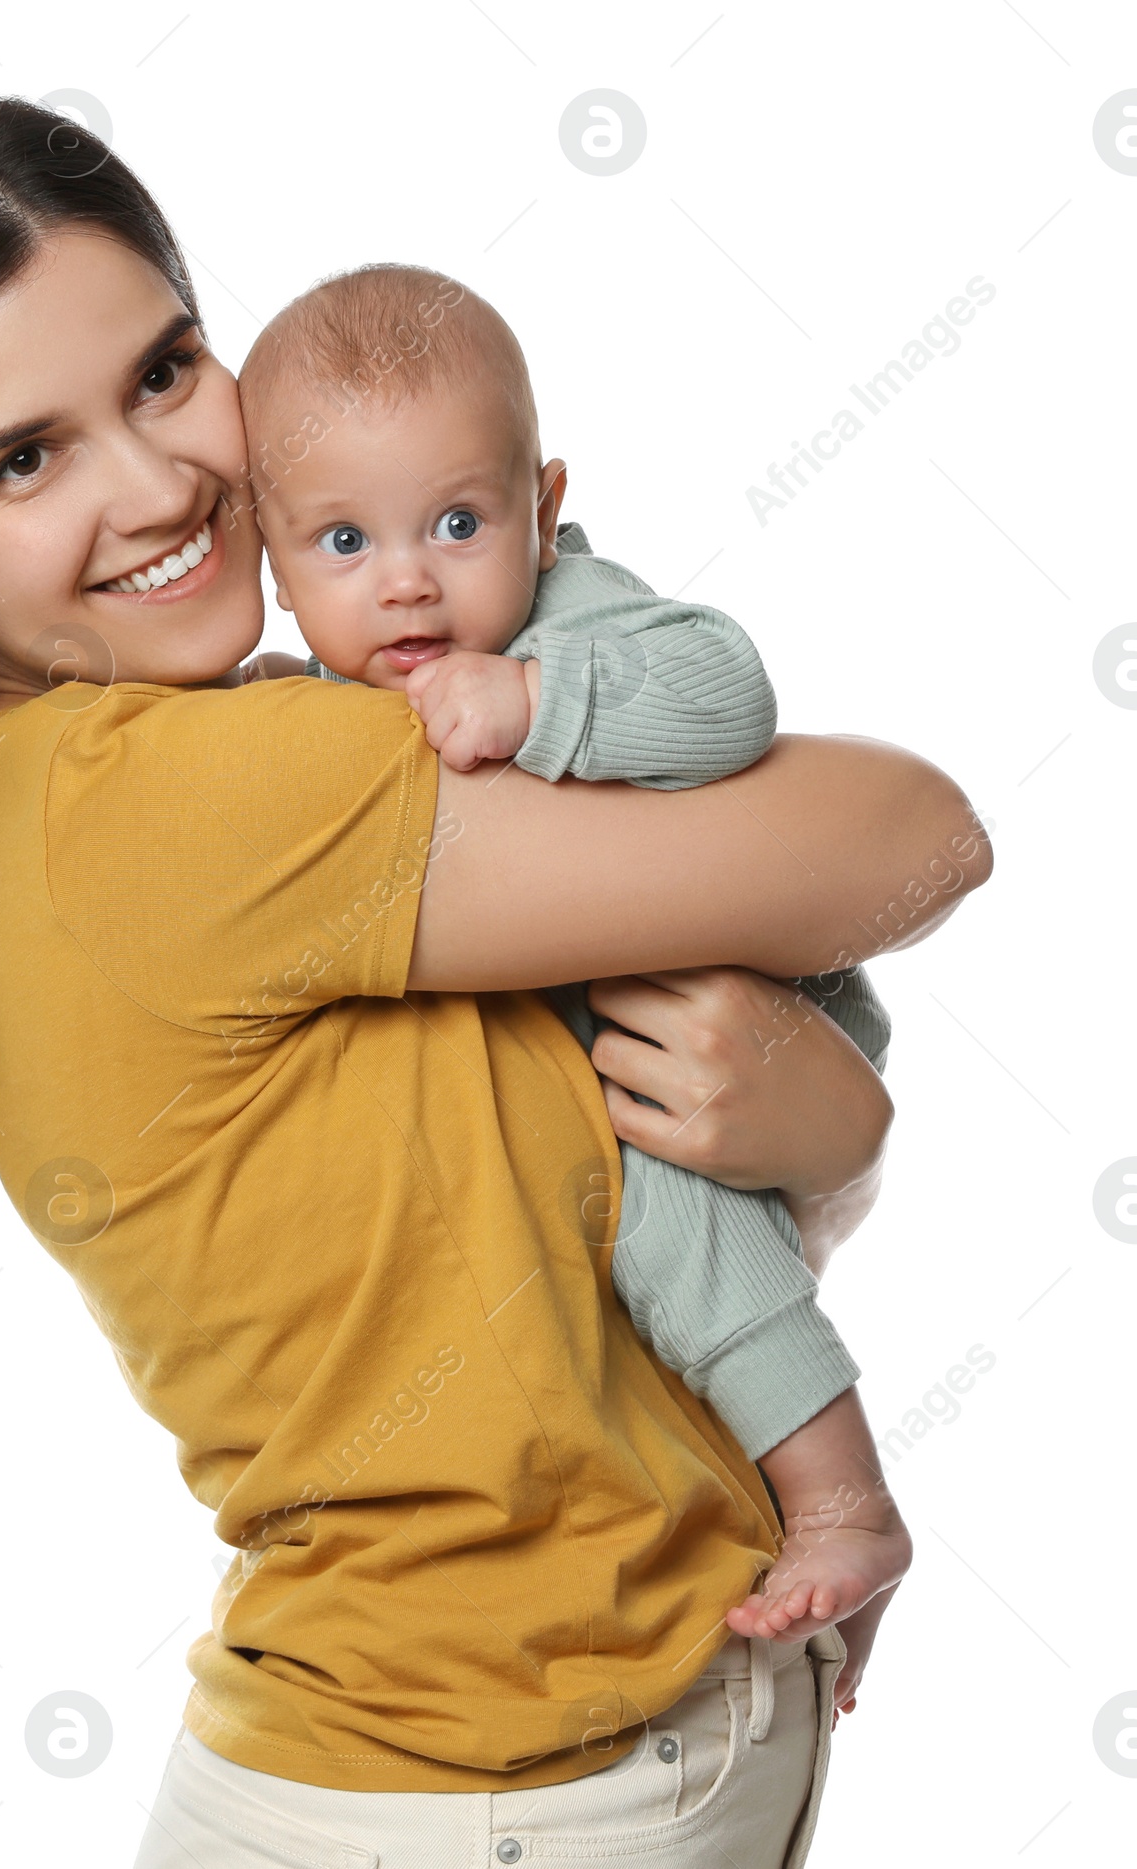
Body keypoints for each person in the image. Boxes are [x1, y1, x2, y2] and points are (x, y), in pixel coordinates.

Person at [0, 96, 991, 1867]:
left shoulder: (141, 771)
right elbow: (917, 837)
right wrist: (828, 1107)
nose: (156, 487)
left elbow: (599, 1217)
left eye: (164, 373)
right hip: (488, 1799)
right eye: (23, 460)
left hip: (481, 1776)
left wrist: (826, 1132)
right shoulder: (170, 799)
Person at [236, 261, 910, 1681]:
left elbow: (732, 691)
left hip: (732, 1019)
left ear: (542, 507)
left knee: (665, 1215)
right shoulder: (311, 711)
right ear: (273, 564)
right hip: (624, 1055)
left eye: (459, 522)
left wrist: (541, 699)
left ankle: (847, 1500)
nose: (407, 577)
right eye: (344, 539)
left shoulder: (576, 616)